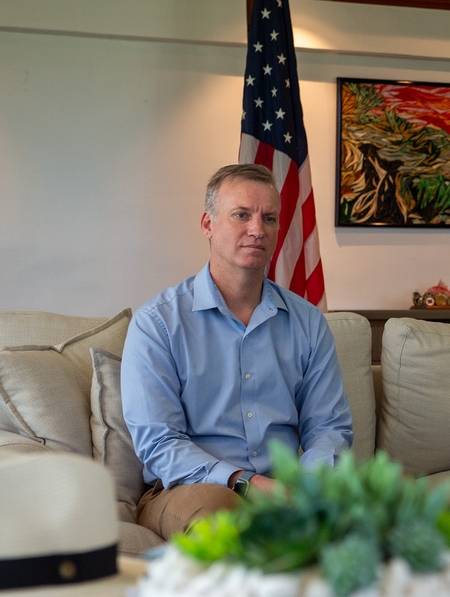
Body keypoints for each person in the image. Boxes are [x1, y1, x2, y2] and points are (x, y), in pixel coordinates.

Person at [121, 164, 353, 539]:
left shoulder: (308, 323)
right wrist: (246, 483)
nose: (257, 230)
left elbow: (327, 427)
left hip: (287, 489)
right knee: (227, 518)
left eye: (269, 218)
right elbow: (159, 443)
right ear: (208, 225)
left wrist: (309, 487)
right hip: (190, 490)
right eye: (241, 215)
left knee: (388, 507)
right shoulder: (157, 324)